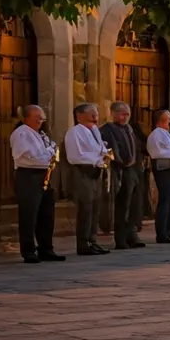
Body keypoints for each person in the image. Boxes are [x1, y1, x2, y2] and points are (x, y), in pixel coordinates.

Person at [11, 105, 64, 263]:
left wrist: (48, 155)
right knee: (29, 214)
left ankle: (46, 248)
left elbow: (54, 152)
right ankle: (28, 250)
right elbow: (29, 157)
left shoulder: (42, 135)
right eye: (36, 118)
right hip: (29, 175)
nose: (40, 121)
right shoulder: (21, 133)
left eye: (42, 118)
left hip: (45, 175)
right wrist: (48, 155)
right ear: (26, 118)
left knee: (46, 213)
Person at [64, 103, 110, 256]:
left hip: (96, 172)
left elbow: (100, 149)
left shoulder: (95, 130)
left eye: (96, 114)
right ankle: (83, 243)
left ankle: (93, 240)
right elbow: (74, 156)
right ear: (79, 116)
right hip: (83, 172)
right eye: (92, 114)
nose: (95, 117)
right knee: (86, 207)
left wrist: (104, 154)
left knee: (96, 206)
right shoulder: (74, 133)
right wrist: (96, 159)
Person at [101, 102, 146, 248]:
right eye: (121, 113)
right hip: (118, 171)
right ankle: (120, 239)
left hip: (133, 170)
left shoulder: (130, 129)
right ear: (113, 114)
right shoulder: (107, 130)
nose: (125, 117)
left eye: (127, 114)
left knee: (134, 204)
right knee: (122, 205)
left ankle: (132, 234)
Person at [146, 109, 170, 244]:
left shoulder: (168, 135)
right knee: (165, 200)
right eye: (168, 118)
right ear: (162, 119)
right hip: (164, 169)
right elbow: (157, 153)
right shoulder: (156, 135)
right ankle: (162, 233)